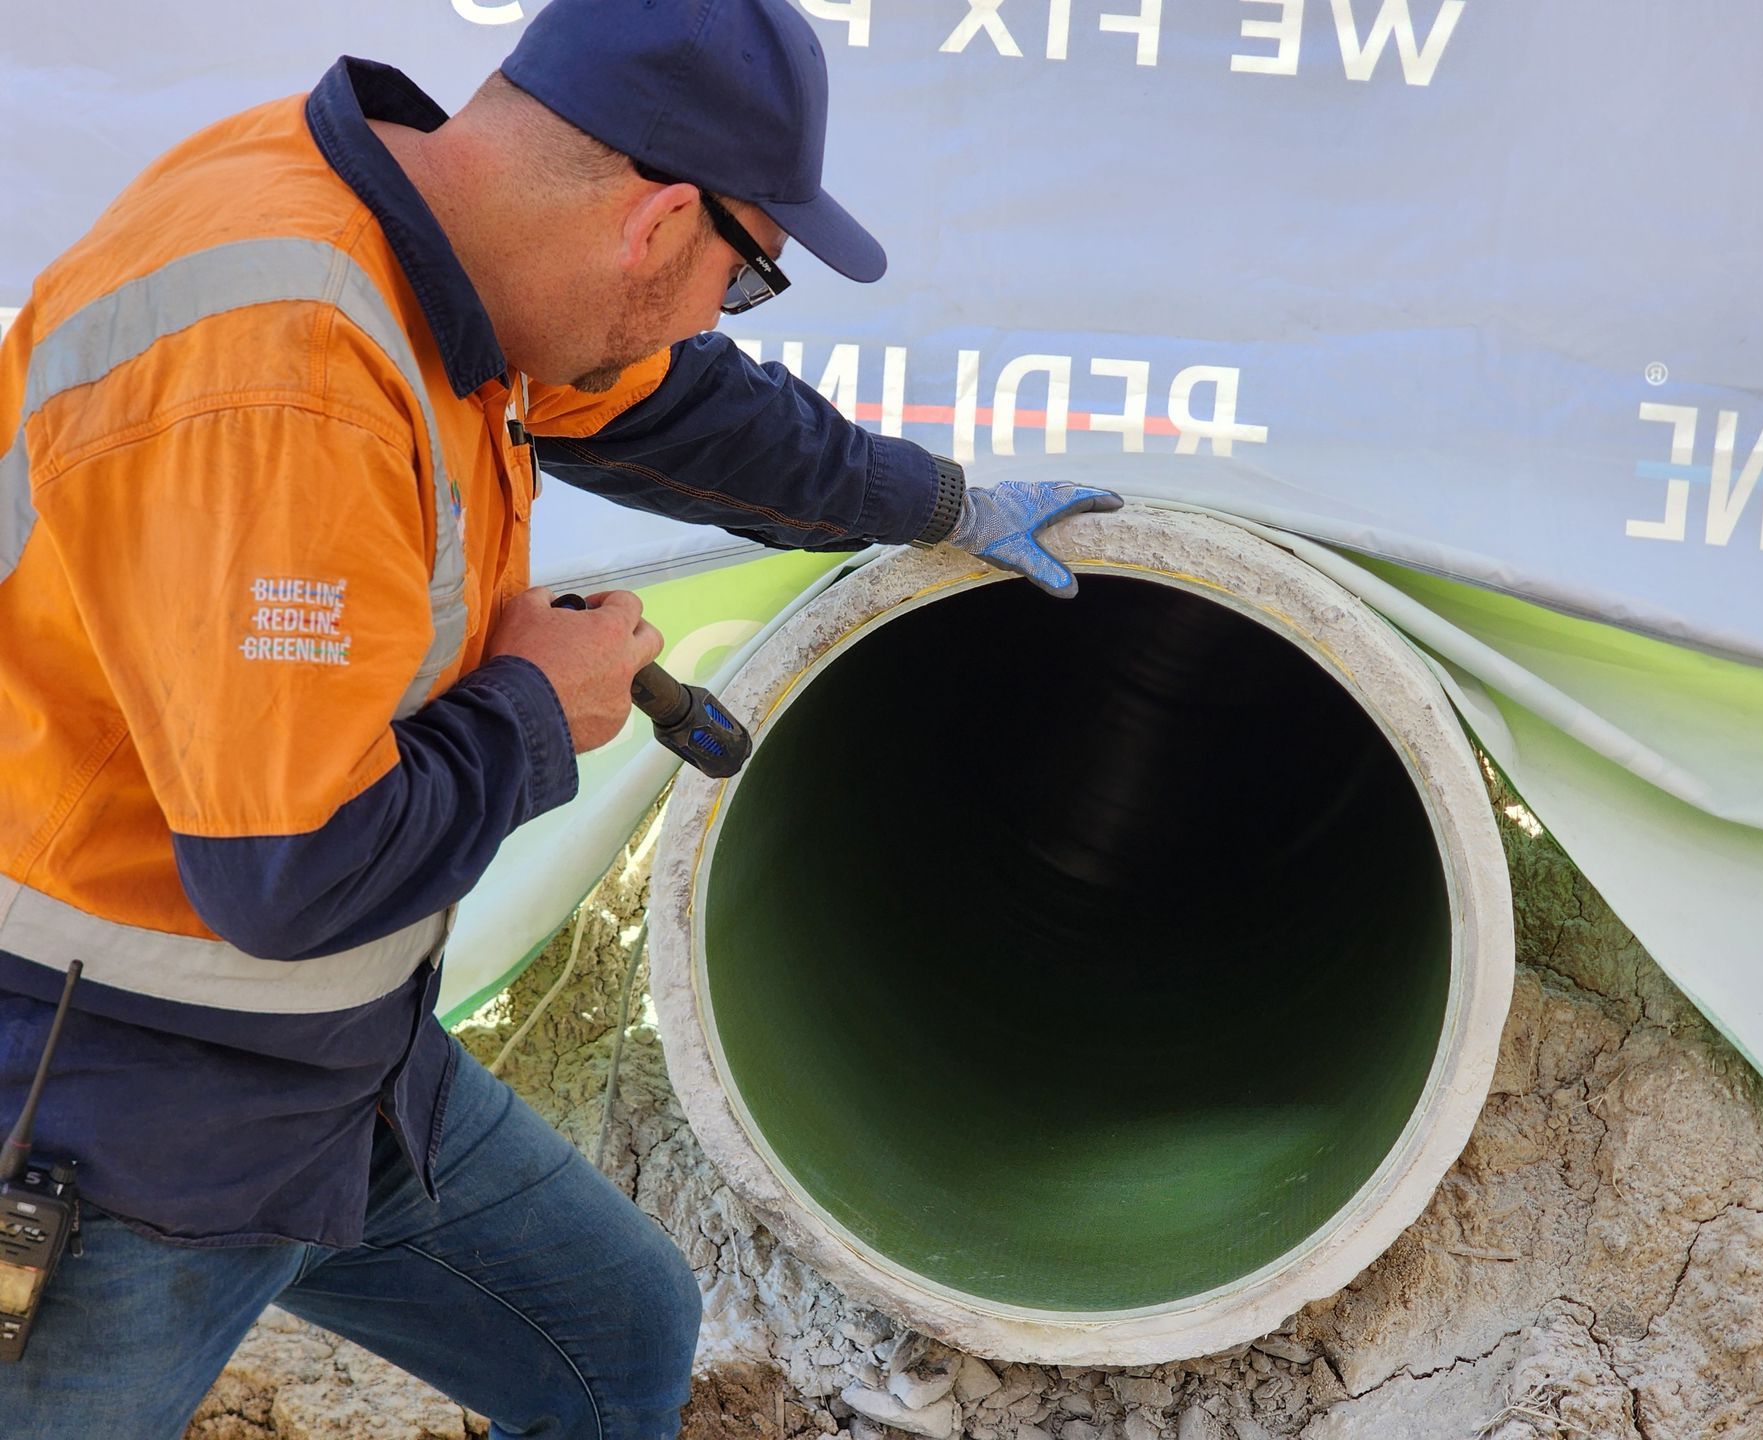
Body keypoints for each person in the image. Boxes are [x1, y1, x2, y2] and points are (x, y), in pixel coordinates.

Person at [0, 1, 1119, 1434]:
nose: (722, 314)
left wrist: (948, 506)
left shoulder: (437, 244)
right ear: (656, 224)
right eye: (748, 272)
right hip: (113, 1115)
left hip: (338, 1063)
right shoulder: (284, 363)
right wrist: (543, 708)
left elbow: (687, 412)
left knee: (612, 1341)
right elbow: (290, 873)